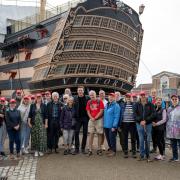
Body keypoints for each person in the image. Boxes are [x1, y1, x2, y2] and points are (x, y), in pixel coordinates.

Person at [134, 91, 155, 162]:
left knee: (148, 140)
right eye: (141, 95)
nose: (143, 97)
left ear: (146, 96)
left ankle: (148, 155)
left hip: (148, 124)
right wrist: (140, 121)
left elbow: (153, 114)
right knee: (141, 140)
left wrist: (146, 120)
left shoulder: (150, 104)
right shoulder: (137, 104)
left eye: (144, 95)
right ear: (140, 96)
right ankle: (141, 155)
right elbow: (134, 114)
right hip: (139, 124)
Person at [86, 90, 104, 156]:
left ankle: (99, 149)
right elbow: (88, 111)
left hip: (98, 119)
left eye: (93, 94)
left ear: (95, 94)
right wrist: (91, 118)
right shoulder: (89, 102)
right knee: (91, 134)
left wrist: (95, 117)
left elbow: (101, 111)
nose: (92, 96)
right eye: (90, 95)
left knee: (99, 134)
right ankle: (90, 149)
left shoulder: (100, 101)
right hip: (91, 120)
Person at [74, 86, 90, 154]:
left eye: (81, 90)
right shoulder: (75, 98)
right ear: (77, 91)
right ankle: (77, 149)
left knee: (85, 133)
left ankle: (83, 148)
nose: (80, 91)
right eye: (79, 90)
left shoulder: (87, 98)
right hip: (78, 118)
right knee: (76, 132)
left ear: (83, 91)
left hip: (85, 118)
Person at [121, 93, 137, 158]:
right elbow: (121, 114)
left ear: (131, 98)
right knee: (125, 138)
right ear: (125, 98)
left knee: (133, 138)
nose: (128, 98)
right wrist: (120, 124)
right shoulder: (123, 105)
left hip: (132, 123)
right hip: (125, 123)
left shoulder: (134, 104)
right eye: (127, 97)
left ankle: (133, 152)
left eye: (129, 97)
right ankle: (126, 152)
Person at [166, 94, 180, 162]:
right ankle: (175, 157)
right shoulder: (169, 108)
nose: (174, 100)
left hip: (179, 130)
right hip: (171, 130)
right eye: (173, 99)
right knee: (173, 145)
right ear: (171, 100)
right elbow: (167, 118)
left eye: (175, 99)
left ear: (178, 100)